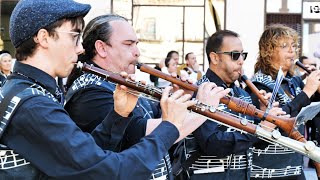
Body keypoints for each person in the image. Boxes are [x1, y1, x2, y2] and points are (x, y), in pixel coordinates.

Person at [0, 0, 225, 179]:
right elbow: (109, 171)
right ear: (43, 38)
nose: (80, 49)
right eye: (75, 37)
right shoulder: (33, 104)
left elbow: (86, 156)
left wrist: (118, 116)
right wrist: (170, 126)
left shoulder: (28, 92)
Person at [64, 14, 230, 180]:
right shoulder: (91, 92)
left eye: (136, 44)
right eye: (128, 44)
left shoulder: (118, 82)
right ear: (101, 48)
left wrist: (183, 98)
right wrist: (203, 108)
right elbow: (147, 134)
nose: (137, 52)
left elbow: (161, 118)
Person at [173, 30, 281, 180]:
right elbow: (213, 144)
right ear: (215, 57)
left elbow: (256, 144)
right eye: (235, 55)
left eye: (243, 55)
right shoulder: (199, 92)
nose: (241, 61)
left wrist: (265, 119)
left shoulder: (242, 94)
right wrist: (259, 130)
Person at [250, 24, 320, 179]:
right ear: (268, 52)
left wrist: (317, 93)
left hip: (295, 168)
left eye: (294, 46)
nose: (292, 50)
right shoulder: (259, 84)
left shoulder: (293, 82)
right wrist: (307, 92)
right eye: (284, 46)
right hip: (269, 171)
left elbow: (310, 114)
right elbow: (279, 121)